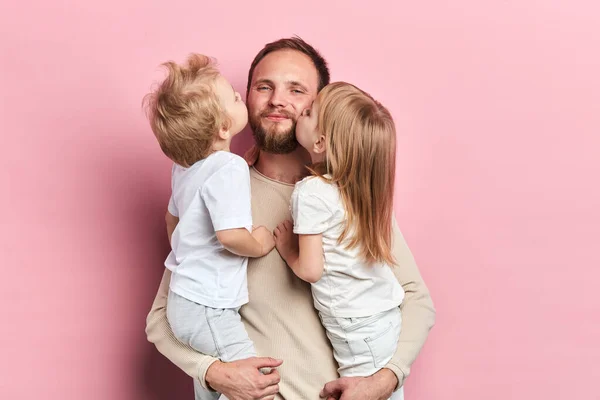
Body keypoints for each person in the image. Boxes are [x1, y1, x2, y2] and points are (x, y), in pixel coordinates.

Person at [146, 37, 436, 400]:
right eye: (263, 87)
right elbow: (162, 319)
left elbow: (415, 297)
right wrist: (215, 374)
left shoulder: (349, 196)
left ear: (321, 108)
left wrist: (383, 381)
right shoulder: (215, 190)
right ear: (245, 99)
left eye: (296, 90)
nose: (277, 100)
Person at [143, 53, 276, 400]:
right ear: (222, 128)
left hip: (182, 303)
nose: (238, 95)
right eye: (233, 96)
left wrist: (189, 248)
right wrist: (260, 243)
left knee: (214, 385)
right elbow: (230, 236)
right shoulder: (229, 168)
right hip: (209, 306)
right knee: (253, 381)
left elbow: (172, 221)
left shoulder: (185, 169)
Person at [273, 82, 406, 399]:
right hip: (385, 318)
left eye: (307, 112)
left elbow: (311, 270)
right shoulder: (359, 191)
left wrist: (288, 250)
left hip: (355, 328)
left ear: (319, 141)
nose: (298, 113)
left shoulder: (311, 192)